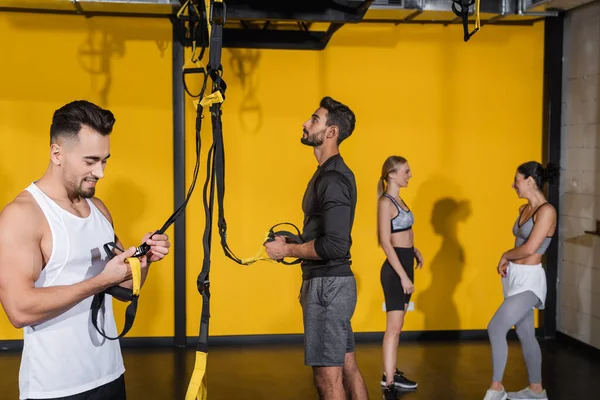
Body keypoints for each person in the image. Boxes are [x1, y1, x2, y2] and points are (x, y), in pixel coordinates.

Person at [0, 100, 171, 400]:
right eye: (90, 161)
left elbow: (125, 288)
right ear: (57, 154)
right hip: (55, 389)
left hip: (109, 374)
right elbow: (19, 309)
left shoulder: (98, 209)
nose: (100, 172)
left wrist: (143, 261)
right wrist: (100, 281)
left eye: (105, 160)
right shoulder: (23, 215)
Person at [264, 96, 368, 400]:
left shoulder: (333, 178)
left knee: (327, 381)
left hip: (327, 287)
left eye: (314, 119)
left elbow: (335, 245)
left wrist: (287, 252)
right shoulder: (328, 173)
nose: (306, 123)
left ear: (331, 132)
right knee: (347, 367)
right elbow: (327, 235)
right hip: (331, 284)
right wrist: (295, 243)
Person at [483, 161, 559, 400]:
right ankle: (537, 391)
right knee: (525, 333)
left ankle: (496, 389)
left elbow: (529, 248)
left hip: (530, 281)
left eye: (516, 180)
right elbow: (521, 246)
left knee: (496, 327)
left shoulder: (547, 211)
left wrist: (505, 255)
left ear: (529, 181)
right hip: (514, 277)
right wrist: (509, 261)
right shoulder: (524, 210)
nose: (513, 185)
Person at [376, 155, 422, 399]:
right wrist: (403, 276)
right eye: (406, 171)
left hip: (405, 264)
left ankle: (390, 372)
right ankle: (389, 383)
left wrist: (414, 250)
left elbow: (402, 233)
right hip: (395, 272)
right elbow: (385, 242)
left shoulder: (399, 200)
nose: (410, 175)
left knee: (399, 326)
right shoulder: (386, 202)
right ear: (391, 174)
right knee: (393, 329)